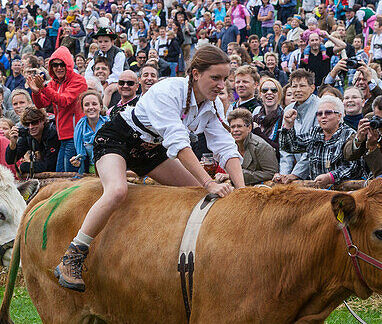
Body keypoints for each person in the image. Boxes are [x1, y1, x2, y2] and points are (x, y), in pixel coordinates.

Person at [55, 46, 245, 292]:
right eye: (216, 78)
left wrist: (242, 191)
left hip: (150, 148)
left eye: (225, 79)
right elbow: (178, 143)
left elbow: (225, 145)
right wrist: (210, 182)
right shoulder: (167, 91)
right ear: (196, 74)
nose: (222, 85)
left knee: (199, 193)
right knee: (116, 191)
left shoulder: (213, 105)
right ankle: (73, 255)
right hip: (118, 138)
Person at [279, 94, 361, 187]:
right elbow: (290, 147)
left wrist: (330, 177)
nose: (323, 116)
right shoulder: (314, 132)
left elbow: (353, 167)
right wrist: (288, 125)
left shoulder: (349, 134)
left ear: (339, 116)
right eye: (319, 113)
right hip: (318, 193)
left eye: (328, 113)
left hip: (346, 192)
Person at [28, 45, 87, 173]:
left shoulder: (79, 81)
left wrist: (44, 87)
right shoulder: (54, 83)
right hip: (62, 137)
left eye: (62, 64)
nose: (59, 68)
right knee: (60, 174)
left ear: (69, 65)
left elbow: (64, 101)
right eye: (55, 65)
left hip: (74, 136)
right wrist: (36, 92)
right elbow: (41, 104)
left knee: (68, 177)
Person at [225, 108, 278, 185]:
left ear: (249, 128)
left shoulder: (261, 146)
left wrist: (235, 175)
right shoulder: (230, 145)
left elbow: (271, 173)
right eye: (232, 127)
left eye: (239, 126)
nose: (235, 130)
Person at [6, 106, 60, 176]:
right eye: (27, 124)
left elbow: (49, 165)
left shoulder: (52, 133)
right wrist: (13, 143)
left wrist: (24, 166)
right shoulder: (27, 135)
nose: (31, 127)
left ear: (43, 120)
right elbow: (10, 160)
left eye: (34, 122)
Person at [70, 90, 108, 177]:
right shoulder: (79, 128)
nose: (91, 107)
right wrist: (77, 161)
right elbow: (81, 157)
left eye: (94, 104)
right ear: (83, 109)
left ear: (101, 106)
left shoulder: (109, 125)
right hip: (89, 173)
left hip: (108, 171)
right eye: (87, 105)